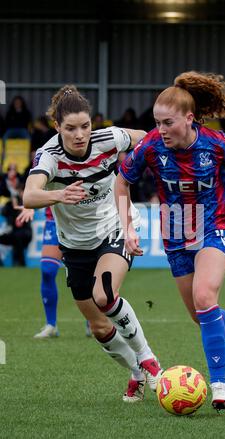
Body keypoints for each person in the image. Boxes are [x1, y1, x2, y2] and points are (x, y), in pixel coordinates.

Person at [115, 71, 225, 411]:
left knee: (205, 297)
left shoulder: (216, 144)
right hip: (176, 236)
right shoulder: (150, 145)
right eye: (157, 122)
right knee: (202, 315)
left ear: (190, 118)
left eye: (168, 123)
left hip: (215, 228)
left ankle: (219, 386)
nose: (161, 130)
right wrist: (127, 226)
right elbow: (122, 181)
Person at [23, 84, 162, 402]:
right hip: (74, 245)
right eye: (70, 128)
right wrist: (58, 193)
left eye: (85, 126)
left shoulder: (109, 138)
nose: (79, 134)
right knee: (99, 327)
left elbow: (147, 136)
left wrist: (149, 163)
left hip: (115, 228)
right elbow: (29, 195)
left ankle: (150, 362)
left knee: (105, 294)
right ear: (57, 127)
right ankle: (136, 372)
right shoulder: (49, 156)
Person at [16, 206, 92, 338]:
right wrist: (31, 205)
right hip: (55, 220)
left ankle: (93, 322)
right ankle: (51, 324)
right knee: (47, 270)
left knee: (89, 272)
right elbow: (37, 186)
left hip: (84, 219)